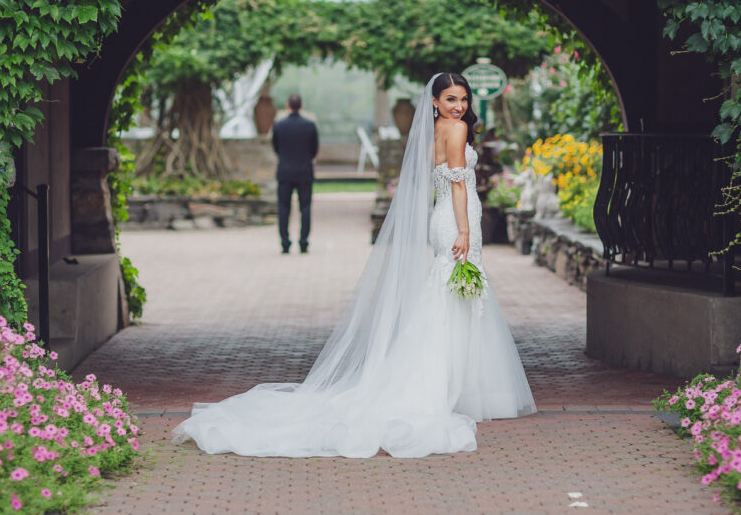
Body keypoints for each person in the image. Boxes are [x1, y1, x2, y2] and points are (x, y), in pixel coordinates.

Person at [173, 73, 534, 458]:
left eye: (463, 99)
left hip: (442, 217)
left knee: (450, 293)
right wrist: (464, 228)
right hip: (457, 218)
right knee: (455, 293)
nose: (459, 106)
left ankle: (456, 384)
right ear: (433, 101)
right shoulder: (457, 130)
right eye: (450, 99)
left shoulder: (433, 132)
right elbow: (460, 184)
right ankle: (449, 387)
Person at [271, 93, 319, 254]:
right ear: (301, 106)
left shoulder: (278, 125)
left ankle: (285, 242)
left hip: (285, 171)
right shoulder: (310, 125)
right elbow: (314, 150)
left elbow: (276, 148)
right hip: (304, 171)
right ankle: (304, 242)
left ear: (287, 106)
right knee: (305, 207)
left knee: (284, 207)